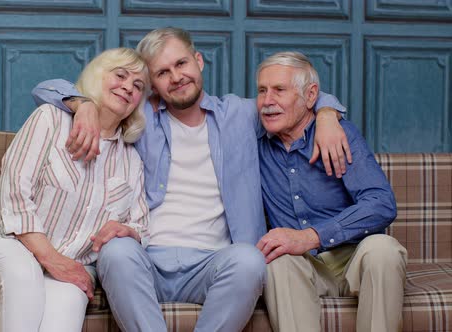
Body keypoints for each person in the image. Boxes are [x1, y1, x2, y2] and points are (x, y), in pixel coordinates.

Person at [31, 27, 349, 332]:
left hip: (215, 263)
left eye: (181, 63)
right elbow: (44, 88)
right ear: (152, 84)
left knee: (251, 261)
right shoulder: (138, 118)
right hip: (147, 258)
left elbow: (294, 96)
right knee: (115, 252)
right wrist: (82, 104)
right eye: (162, 72)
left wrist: (327, 114)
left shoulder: (241, 115)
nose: (176, 77)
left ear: (198, 61)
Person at [0, 47, 151, 332]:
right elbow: (13, 193)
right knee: (24, 276)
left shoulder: (131, 160)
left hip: (74, 261)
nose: (128, 87)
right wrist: (51, 259)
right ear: (99, 76)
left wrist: (130, 231)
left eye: (138, 86)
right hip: (4, 237)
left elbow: (143, 226)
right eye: (120, 75)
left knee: (64, 311)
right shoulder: (50, 119)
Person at [255, 51, 407, 332]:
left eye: (279, 90)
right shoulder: (253, 138)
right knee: (277, 261)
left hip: (354, 259)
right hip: (302, 267)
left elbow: (381, 203)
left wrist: (311, 236)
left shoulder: (340, 134)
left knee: (383, 250)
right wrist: (327, 110)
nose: (267, 101)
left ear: (311, 95)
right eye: (262, 90)